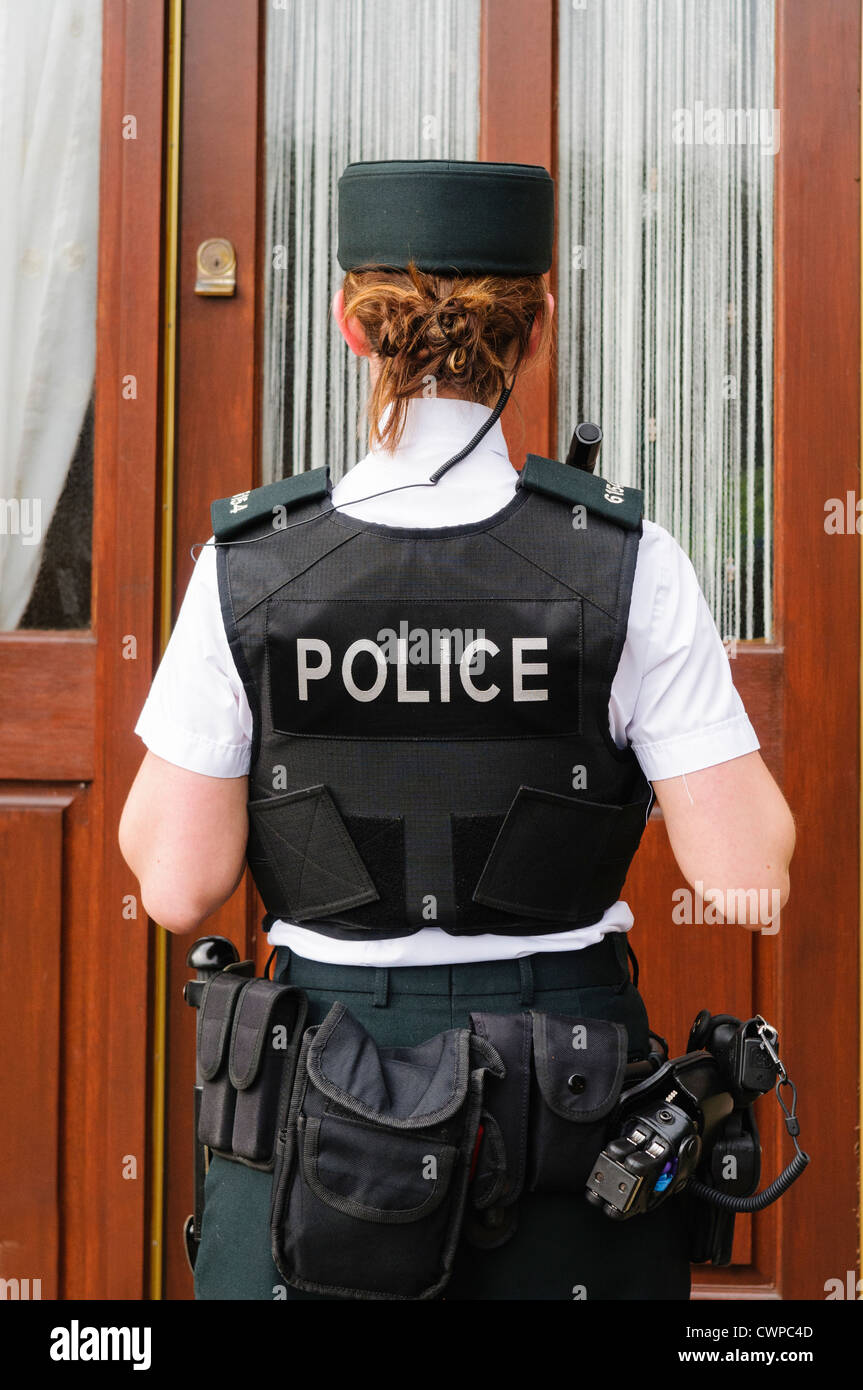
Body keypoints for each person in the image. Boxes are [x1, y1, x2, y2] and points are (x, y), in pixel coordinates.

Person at [119, 159, 796, 1301]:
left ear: (349, 326)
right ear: (535, 324)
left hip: (317, 1109)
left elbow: (179, 889)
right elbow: (743, 865)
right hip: (566, 1118)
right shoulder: (624, 563)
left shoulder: (247, 567)